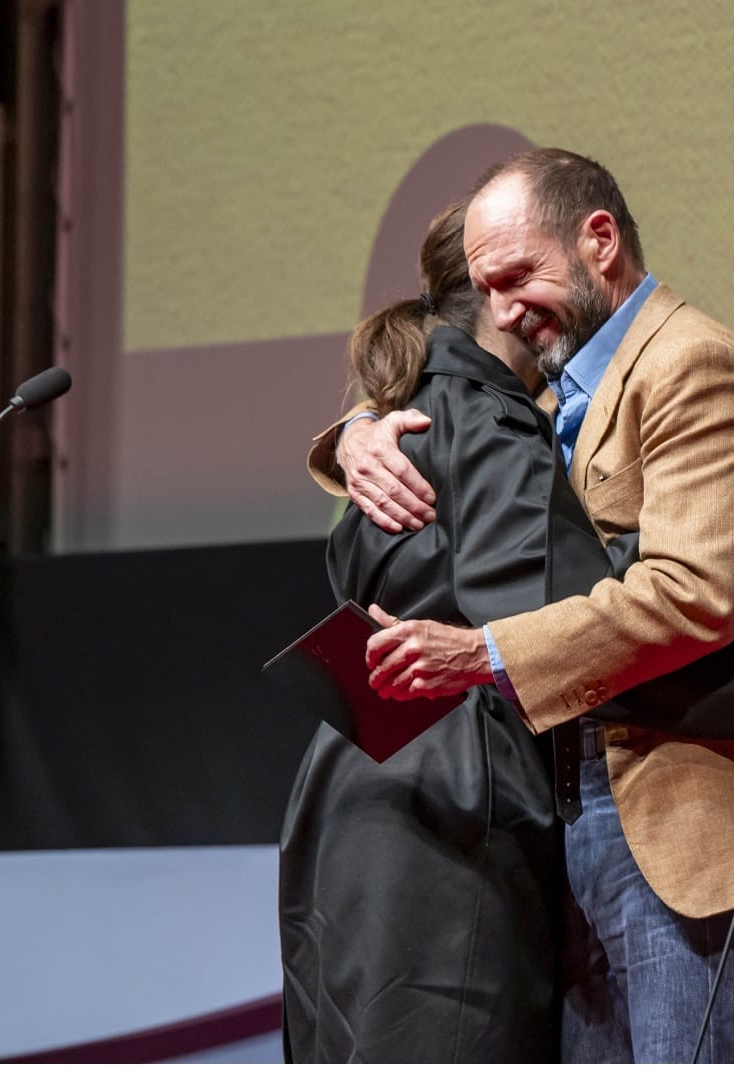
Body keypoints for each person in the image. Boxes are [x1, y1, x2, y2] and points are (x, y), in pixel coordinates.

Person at [348, 148, 734, 1062]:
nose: (503, 310)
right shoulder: (561, 393)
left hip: (679, 819)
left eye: (517, 278)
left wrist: (482, 654)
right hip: (578, 812)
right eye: (485, 289)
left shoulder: (695, 365)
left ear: (599, 240)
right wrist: (355, 434)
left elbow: (688, 596)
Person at [279, 201, 568, 1062]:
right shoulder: (496, 424)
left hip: (346, 787)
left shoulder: (398, 420)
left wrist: (356, 427)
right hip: (460, 799)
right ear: (501, 291)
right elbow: (576, 613)